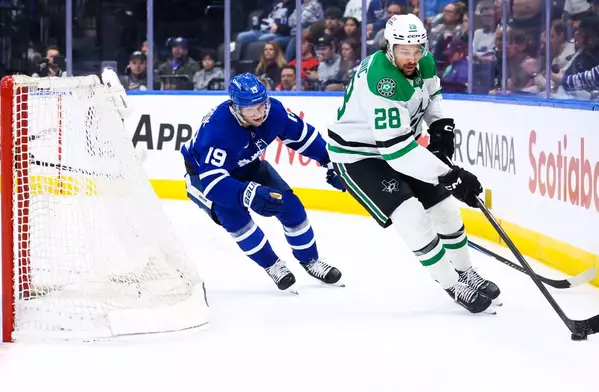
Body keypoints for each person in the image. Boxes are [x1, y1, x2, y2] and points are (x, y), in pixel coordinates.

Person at [327, 14, 501, 314]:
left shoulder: (425, 61)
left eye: (417, 49)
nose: (412, 57)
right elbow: (396, 152)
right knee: (413, 218)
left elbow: (432, 94)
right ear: (389, 47)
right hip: (359, 157)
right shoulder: (382, 82)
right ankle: (451, 284)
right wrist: (451, 175)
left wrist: (440, 123)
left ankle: (466, 272)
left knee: (446, 209)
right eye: (404, 50)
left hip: (399, 145)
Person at [180, 73, 345, 293]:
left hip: (247, 165)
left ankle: (311, 261)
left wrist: (332, 162)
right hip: (204, 177)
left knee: (290, 205)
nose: (259, 113)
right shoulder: (218, 131)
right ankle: (272, 265)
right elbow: (213, 183)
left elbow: (304, 138)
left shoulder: (274, 111)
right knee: (236, 219)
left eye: (261, 105)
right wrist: (247, 193)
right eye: (250, 109)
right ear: (235, 107)